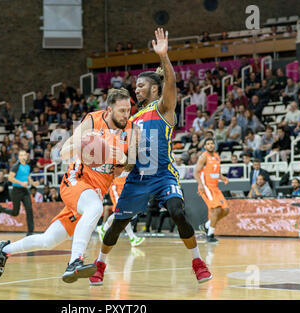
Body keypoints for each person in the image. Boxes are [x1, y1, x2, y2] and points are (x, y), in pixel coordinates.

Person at [89, 29, 212, 286]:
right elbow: (131, 158)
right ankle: (100, 263)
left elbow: (172, 82)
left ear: (155, 88)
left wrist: (164, 57)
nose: (137, 89)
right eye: (136, 86)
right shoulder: (131, 120)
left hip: (163, 174)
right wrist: (115, 166)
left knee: (178, 211)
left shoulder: (163, 108)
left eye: (141, 85)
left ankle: (198, 261)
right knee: (116, 225)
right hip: (137, 177)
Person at [0, 88, 132, 282]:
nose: (126, 114)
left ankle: (4, 250)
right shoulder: (93, 120)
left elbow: (123, 169)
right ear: (109, 110)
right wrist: (89, 145)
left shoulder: (130, 130)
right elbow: (63, 153)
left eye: (129, 109)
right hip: (75, 181)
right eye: (122, 110)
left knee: (49, 240)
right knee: (95, 208)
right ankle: (75, 262)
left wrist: (122, 160)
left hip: (92, 193)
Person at [0, 150, 39, 235]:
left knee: (29, 210)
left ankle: (30, 232)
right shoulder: (16, 166)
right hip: (16, 190)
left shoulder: (28, 166)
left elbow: (27, 176)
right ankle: (1, 209)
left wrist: (33, 183)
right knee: (15, 212)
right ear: (19, 157)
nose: (23, 157)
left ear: (26, 156)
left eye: (24, 155)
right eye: (21, 155)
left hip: (25, 191)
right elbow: (10, 178)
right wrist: (21, 183)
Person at [194, 138, 229, 243]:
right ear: (205, 146)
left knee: (225, 210)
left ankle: (206, 226)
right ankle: (210, 235)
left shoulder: (217, 157)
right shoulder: (204, 157)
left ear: (214, 145)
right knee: (217, 210)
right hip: (206, 187)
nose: (210, 145)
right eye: (208, 144)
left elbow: (217, 172)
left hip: (215, 187)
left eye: (212, 143)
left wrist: (222, 177)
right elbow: (196, 172)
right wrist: (200, 184)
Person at [96, 174, 145, 247]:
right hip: (116, 183)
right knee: (123, 212)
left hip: (125, 182)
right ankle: (132, 238)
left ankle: (103, 228)